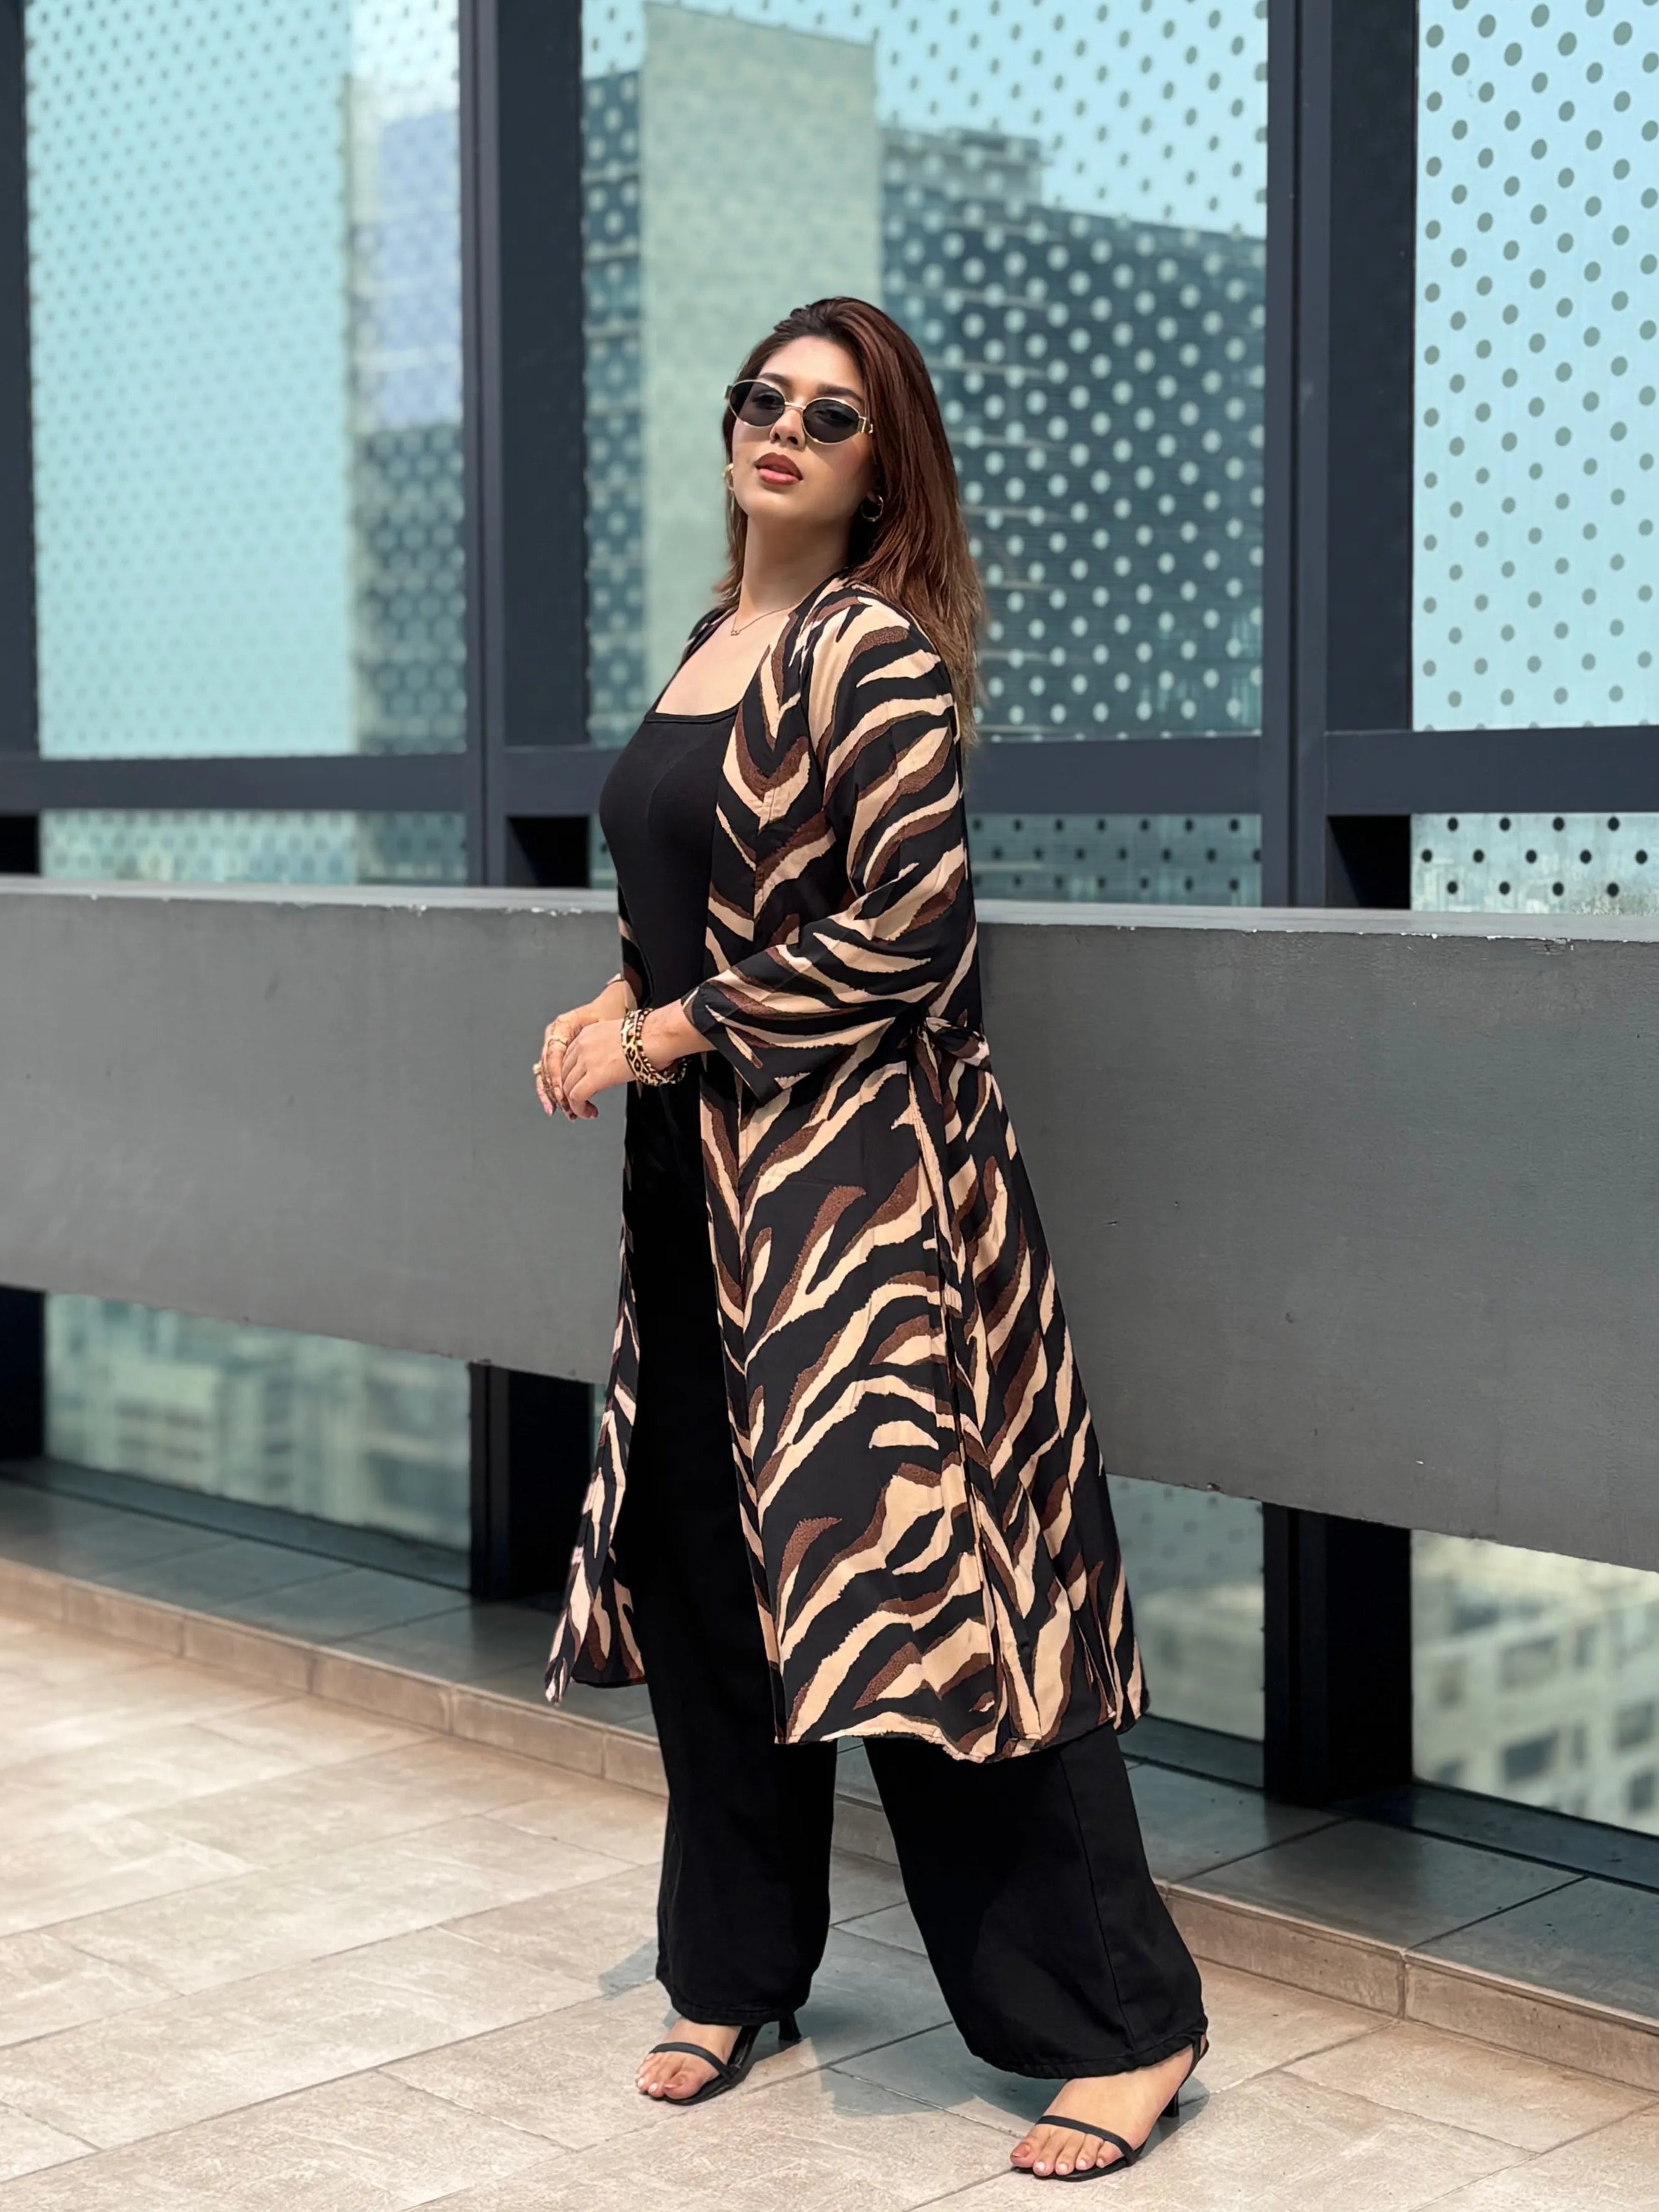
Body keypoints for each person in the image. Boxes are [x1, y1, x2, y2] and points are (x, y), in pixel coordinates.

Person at [534, 296, 1206, 2181]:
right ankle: (735, 1966)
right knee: (704, 1586)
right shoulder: (709, 640)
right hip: (701, 1196)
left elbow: (908, 934)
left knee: (930, 1605)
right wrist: (610, 1004)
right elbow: (693, 895)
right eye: (765, 399)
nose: (785, 430)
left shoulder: (873, 656)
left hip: (865, 1217)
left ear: (876, 466)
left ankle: (1125, 2028)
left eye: (829, 416)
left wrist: (668, 1032)